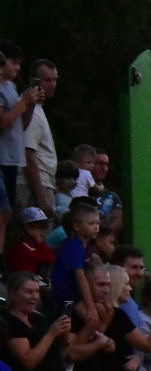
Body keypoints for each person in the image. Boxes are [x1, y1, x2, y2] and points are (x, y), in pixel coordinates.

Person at [0, 40, 42, 256]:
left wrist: (30, 104)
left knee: (6, 213)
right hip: (2, 158)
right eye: (13, 62)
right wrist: (23, 103)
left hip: (12, 159)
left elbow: (19, 125)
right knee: (3, 212)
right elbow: (2, 122)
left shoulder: (11, 87)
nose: (17, 68)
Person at [16, 59, 58, 221]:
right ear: (33, 80)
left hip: (41, 183)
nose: (52, 85)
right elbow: (28, 155)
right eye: (47, 80)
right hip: (33, 186)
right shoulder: (30, 111)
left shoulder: (37, 110)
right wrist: (41, 199)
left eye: (55, 80)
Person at [51, 200, 101, 326]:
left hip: (76, 293)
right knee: (92, 321)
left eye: (97, 223)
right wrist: (90, 307)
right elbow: (80, 277)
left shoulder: (85, 246)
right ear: (77, 226)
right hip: (66, 294)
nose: (96, 227)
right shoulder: (74, 246)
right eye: (91, 223)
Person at [8, 206, 55, 277]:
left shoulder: (35, 243)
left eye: (43, 226)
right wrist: (39, 240)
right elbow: (47, 259)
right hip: (21, 282)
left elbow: (51, 259)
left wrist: (39, 241)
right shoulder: (21, 247)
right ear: (27, 228)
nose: (42, 230)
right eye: (39, 226)